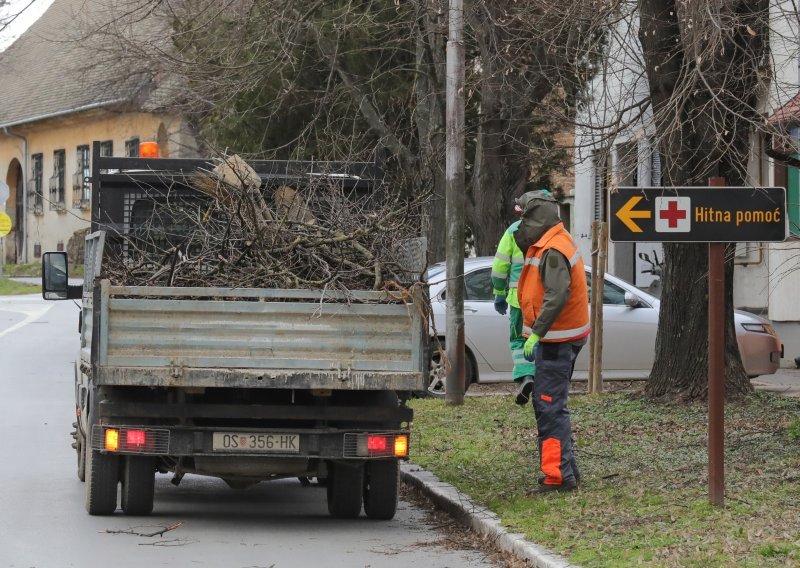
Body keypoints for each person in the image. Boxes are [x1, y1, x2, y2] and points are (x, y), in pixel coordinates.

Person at [514, 190, 590, 493]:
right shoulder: (549, 241)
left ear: (536, 217)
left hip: (557, 339)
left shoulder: (552, 250)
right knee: (552, 405)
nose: (520, 221)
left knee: (548, 406)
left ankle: (558, 476)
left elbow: (557, 295)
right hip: (559, 337)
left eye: (523, 216)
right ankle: (565, 469)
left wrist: (537, 332)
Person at [491, 212, 537, 405]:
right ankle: (546, 382)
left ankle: (526, 377)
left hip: (519, 299)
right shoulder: (555, 231)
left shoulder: (514, 230)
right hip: (546, 299)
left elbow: (500, 266)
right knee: (545, 339)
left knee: (519, 339)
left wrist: (499, 292)